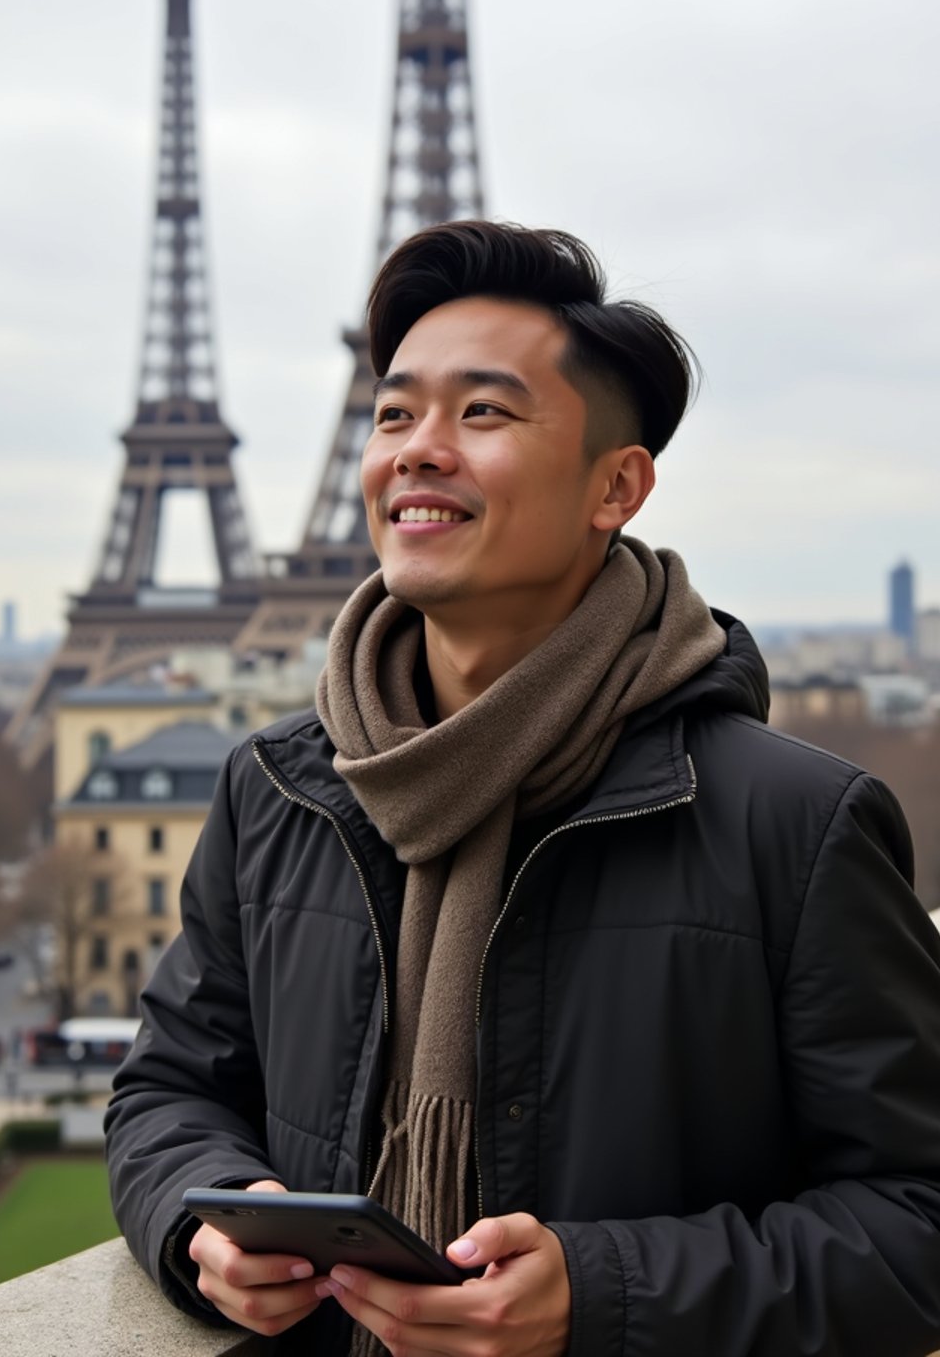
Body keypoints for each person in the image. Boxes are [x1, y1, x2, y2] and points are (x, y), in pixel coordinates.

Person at [105, 221, 940, 1357]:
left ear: (617, 487)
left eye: (483, 413)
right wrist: (200, 1225)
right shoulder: (277, 791)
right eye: (393, 413)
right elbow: (165, 1091)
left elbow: (915, 1219)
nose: (417, 448)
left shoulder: (792, 826)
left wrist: (598, 1294)